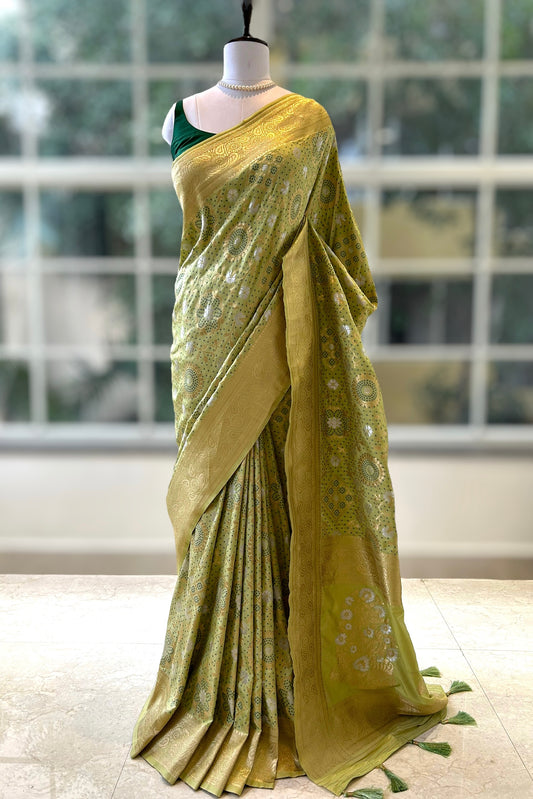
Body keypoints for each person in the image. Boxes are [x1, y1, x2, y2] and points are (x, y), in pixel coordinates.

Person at [130, 5, 472, 796]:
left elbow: (333, 237)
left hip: (283, 330)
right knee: (217, 498)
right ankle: (213, 683)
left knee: (283, 487)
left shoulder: (305, 120)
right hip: (203, 331)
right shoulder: (177, 118)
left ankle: (289, 679)